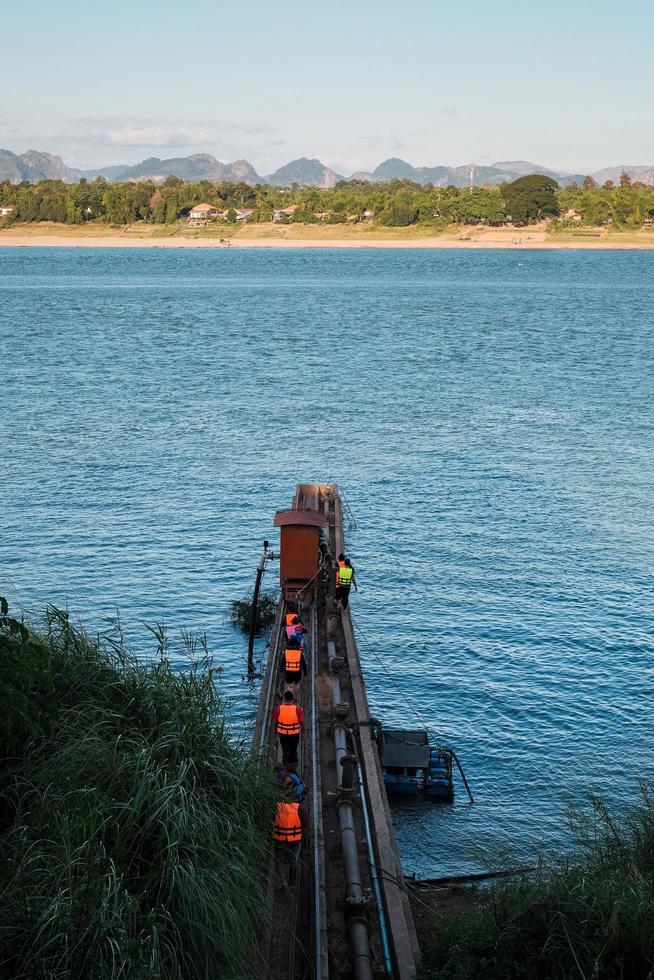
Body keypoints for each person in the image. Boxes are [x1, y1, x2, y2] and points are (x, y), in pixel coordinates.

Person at [272, 778, 308, 889]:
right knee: (293, 861)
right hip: (294, 840)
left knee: (279, 860)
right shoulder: (300, 809)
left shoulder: (276, 807)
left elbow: (271, 822)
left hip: (279, 839)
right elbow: (305, 827)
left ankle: (283, 882)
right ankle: (292, 884)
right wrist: (305, 840)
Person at [273, 690, 305, 764]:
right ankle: (293, 765)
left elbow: (276, 721)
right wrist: (302, 732)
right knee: (293, 750)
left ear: (284, 698)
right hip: (294, 734)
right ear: (293, 699)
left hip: (283, 734)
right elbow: (301, 722)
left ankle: (285, 762)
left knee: (285, 749)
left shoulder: (279, 708)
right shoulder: (298, 709)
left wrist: (276, 730)